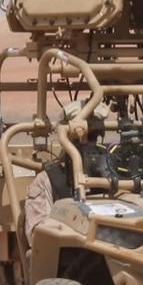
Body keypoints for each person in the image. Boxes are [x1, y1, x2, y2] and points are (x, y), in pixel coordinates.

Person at [24, 101, 108, 244]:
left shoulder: (114, 173)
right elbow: (37, 239)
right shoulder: (48, 180)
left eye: (93, 137)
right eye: (78, 139)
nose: (87, 145)